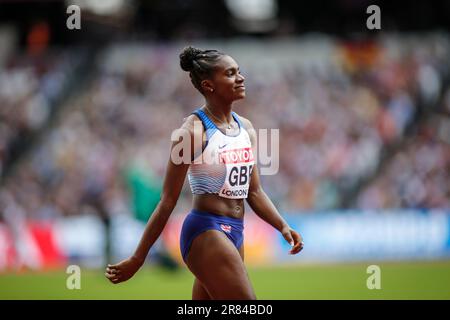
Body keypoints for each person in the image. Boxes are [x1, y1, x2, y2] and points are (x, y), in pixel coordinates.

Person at [105, 46, 304, 299]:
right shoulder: (191, 133)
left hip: (236, 232)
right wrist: (138, 258)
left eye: (239, 71)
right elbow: (167, 201)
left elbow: (254, 192)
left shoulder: (247, 129)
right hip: (206, 232)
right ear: (209, 85)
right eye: (230, 73)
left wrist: (283, 226)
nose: (240, 78)